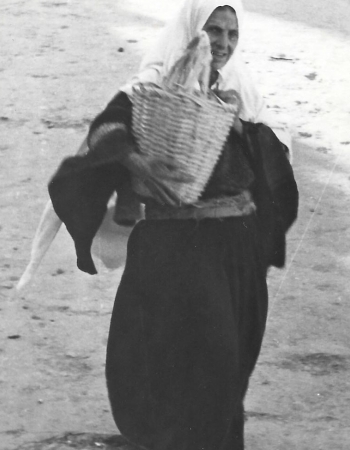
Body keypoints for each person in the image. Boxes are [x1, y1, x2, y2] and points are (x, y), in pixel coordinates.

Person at [48, 0, 298, 449]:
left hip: (236, 248)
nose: (221, 43)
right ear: (190, 30)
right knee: (208, 368)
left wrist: (242, 128)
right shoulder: (154, 85)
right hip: (178, 246)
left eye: (231, 33)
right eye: (212, 30)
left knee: (231, 371)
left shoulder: (242, 88)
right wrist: (135, 162)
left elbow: (276, 162)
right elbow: (106, 128)